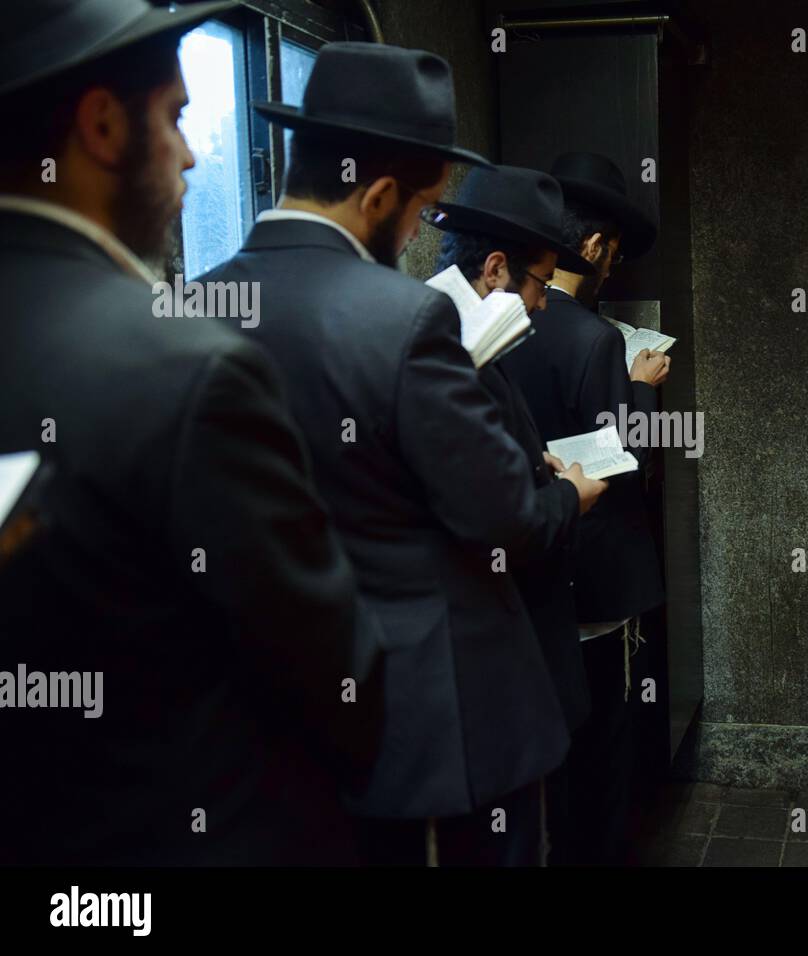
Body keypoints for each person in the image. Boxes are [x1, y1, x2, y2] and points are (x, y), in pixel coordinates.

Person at [200, 44, 604, 867]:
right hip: (435, 722)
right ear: (378, 193)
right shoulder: (406, 320)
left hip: (271, 719)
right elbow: (510, 521)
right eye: (421, 206)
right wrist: (567, 497)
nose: (422, 228)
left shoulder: (195, 303)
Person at [0, 0, 381, 865]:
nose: (191, 154)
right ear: (101, 124)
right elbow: (337, 679)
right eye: (173, 117)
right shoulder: (189, 367)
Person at [428, 163, 608, 860]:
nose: (540, 305)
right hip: (491, 668)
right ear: (497, 267)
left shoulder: (469, 341)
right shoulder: (443, 353)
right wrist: (568, 493)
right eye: (538, 284)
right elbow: (497, 522)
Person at [499, 151, 668, 864]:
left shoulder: (493, 323)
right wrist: (642, 386)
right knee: (600, 755)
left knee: (545, 764)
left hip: (524, 576)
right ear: (594, 247)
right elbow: (623, 460)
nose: (613, 269)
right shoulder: (598, 339)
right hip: (592, 579)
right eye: (614, 254)